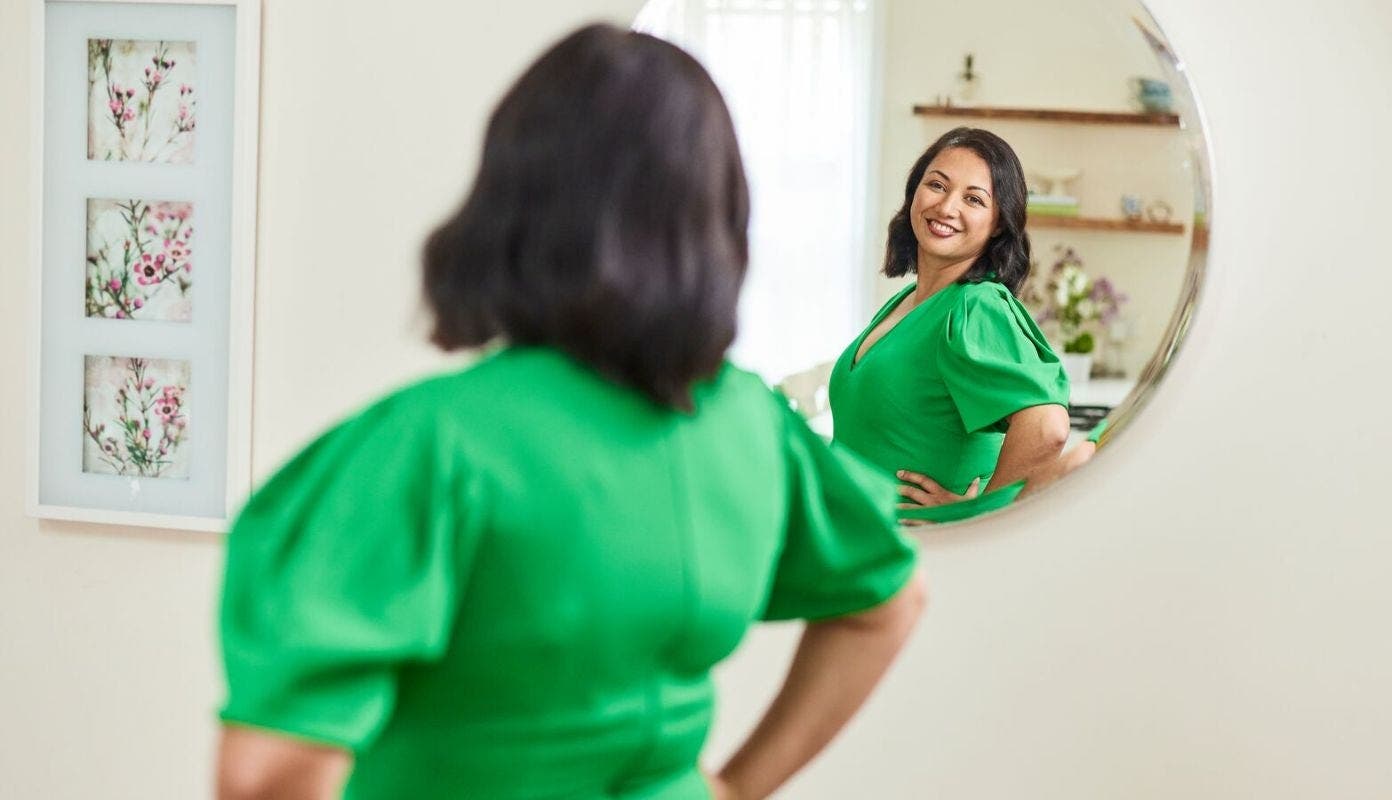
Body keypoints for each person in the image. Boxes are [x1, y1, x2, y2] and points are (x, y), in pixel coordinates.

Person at [214, 24, 924, 800]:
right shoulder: (751, 426)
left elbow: (268, 774)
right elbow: (887, 603)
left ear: (512, 197)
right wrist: (735, 789)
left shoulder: (433, 443)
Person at [828, 127, 1090, 524]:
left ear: (999, 223)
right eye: (936, 185)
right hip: (855, 539)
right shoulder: (909, 302)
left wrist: (978, 517)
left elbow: (1046, 428)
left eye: (973, 199)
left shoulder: (975, 305)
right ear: (914, 192)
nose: (947, 207)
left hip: (914, 553)